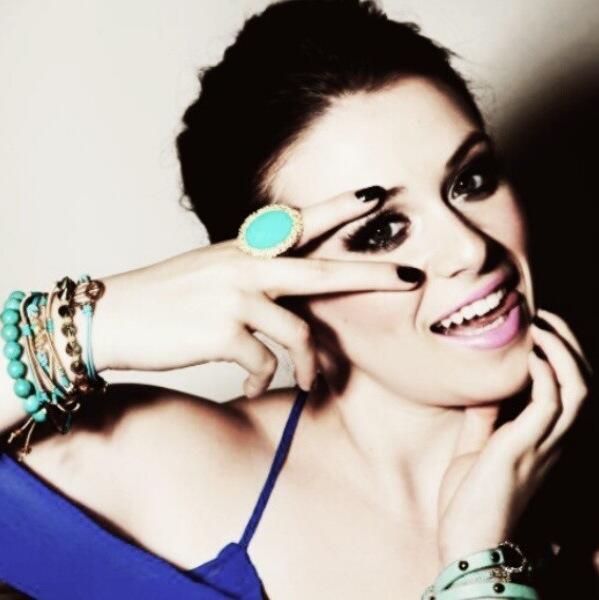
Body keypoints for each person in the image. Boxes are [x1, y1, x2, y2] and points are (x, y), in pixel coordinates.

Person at [0, 0, 596, 598]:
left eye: (470, 180)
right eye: (382, 231)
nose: (471, 248)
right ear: (279, 287)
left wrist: (481, 559)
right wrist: (99, 322)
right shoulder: (168, 466)